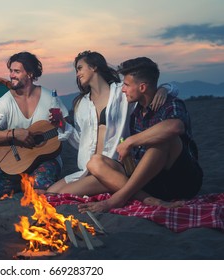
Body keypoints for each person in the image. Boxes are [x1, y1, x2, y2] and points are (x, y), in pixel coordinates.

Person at [78, 57, 203, 213]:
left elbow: (175, 127)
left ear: (142, 87)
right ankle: (148, 199)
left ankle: (118, 198)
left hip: (181, 181)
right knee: (95, 162)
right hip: (152, 181)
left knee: (163, 139)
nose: (123, 89)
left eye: (126, 85)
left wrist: (130, 142)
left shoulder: (170, 104)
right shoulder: (136, 111)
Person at [47, 51, 176, 196]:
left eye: (80, 68)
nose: (77, 74)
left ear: (94, 66)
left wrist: (165, 89)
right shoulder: (81, 104)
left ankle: (142, 197)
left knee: (59, 196)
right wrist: (62, 125)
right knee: (50, 192)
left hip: (114, 165)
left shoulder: (121, 92)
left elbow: (147, 86)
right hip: (87, 168)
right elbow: (81, 142)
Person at [0, 51, 70, 197]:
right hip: (16, 162)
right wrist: (14, 133)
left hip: (44, 161)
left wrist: (61, 122)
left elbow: (65, 128)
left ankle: (26, 184)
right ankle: (25, 182)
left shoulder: (49, 98)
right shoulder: (5, 102)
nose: (11, 75)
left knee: (40, 188)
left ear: (30, 74)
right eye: (11, 71)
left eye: (16, 71)